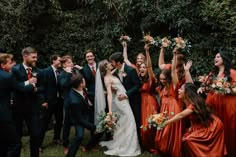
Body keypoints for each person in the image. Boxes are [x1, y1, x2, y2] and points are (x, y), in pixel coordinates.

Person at [164, 83, 227, 157]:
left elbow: (181, 115)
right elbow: (192, 119)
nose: (178, 90)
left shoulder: (194, 103)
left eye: (181, 89)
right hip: (202, 126)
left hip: (212, 126)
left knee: (190, 140)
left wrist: (165, 123)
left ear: (187, 92)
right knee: (187, 139)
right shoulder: (186, 102)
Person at [96, 59, 141, 156]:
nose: (110, 64)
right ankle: (129, 146)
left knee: (125, 122)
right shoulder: (107, 79)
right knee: (130, 121)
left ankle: (124, 142)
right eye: (108, 63)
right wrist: (110, 111)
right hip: (120, 102)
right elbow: (109, 95)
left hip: (125, 99)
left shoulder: (112, 73)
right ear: (105, 67)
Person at [198, 48, 236, 157]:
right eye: (215, 57)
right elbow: (205, 87)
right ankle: (215, 152)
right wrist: (202, 89)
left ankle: (230, 152)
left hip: (227, 105)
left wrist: (226, 89)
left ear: (224, 58)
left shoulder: (233, 73)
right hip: (213, 105)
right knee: (214, 128)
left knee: (228, 128)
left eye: (218, 56)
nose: (215, 58)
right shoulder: (212, 74)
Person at [154, 50, 192, 157]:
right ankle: (164, 146)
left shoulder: (180, 75)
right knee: (165, 126)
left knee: (172, 127)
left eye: (173, 60)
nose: (171, 61)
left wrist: (174, 55)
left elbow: (175, 77)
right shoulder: (170, 69)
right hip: (166, 105)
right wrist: (162, 49)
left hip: (175, 104)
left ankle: (172, 148)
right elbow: (161, 65)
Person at [11, 47, 45, 157]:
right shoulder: (15, 70)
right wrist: (28, 83)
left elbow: (43, 87)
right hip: (18, 108)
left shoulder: (38, 71)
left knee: (35, 135)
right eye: (33, 57)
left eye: (36, 57)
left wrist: (36, 89)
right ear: (25, 56)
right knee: (16, 138)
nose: (36, 59)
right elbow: (15, 87)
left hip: (33, 108)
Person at [0, 53, 35, 157]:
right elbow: (20, 88)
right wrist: (32, 85)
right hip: (4, 116)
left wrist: (27, 82)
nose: (13, 65)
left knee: (2, 143)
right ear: (2, 65)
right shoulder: (7, 76)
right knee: (15, 143)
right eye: (10, 63)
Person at [109, 52, 142, 146]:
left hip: (133, 100)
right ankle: (127, 142)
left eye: (112, 62)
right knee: (125, 121)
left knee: (136, 121)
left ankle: (138, 143)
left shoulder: (130, 70)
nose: (111, 64)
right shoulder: (115, 72)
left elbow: (137, 86)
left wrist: (126, 94)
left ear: (118, 62)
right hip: (122, 102)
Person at [66, 71, 97, 157]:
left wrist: (99, 94)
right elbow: (79, 119)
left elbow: (86, 94)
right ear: (80, 84)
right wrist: (93, 127)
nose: (85, 81)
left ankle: (89, 146)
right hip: (79, 118)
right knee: (79, 136)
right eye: (84, 80)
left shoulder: (79, 89)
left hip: (86, 113)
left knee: (101, 128)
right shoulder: (75, 101)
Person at [39, 54, 63, 150]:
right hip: (48, 102)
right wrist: (44, 101)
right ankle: (39, 144)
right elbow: (42, 87)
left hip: (59, 101)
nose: (61, 62)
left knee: (59, 120)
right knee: (44, 123)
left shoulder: (60, 72)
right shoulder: (46, 71)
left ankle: (56, 138)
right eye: (59, 60)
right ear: (53, 61)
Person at [139, 44, 159, 153]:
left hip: (150, 103)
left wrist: (147, 51)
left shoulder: (151, 79)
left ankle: (153, 145)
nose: (142, 69)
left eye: (144, 67)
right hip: (141, 103)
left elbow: (150, 66)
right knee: (142, 126)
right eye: (141, 67)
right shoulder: (138, 79)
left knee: (150, 125)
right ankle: (144, 145)